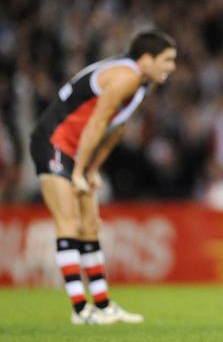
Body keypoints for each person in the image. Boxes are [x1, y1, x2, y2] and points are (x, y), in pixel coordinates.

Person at [29, 29, 177, 325]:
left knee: (90, 226)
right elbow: (97, 123)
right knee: (68, 221)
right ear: (146, 58)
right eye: (167, 60)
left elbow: (116, 127)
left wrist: (93, 169)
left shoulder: (142, 84)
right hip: (54, 143)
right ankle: (81, 310)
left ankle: (103, 305)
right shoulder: (125, 76)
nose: (171, 67)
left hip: (76, 151)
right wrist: (81, 171)